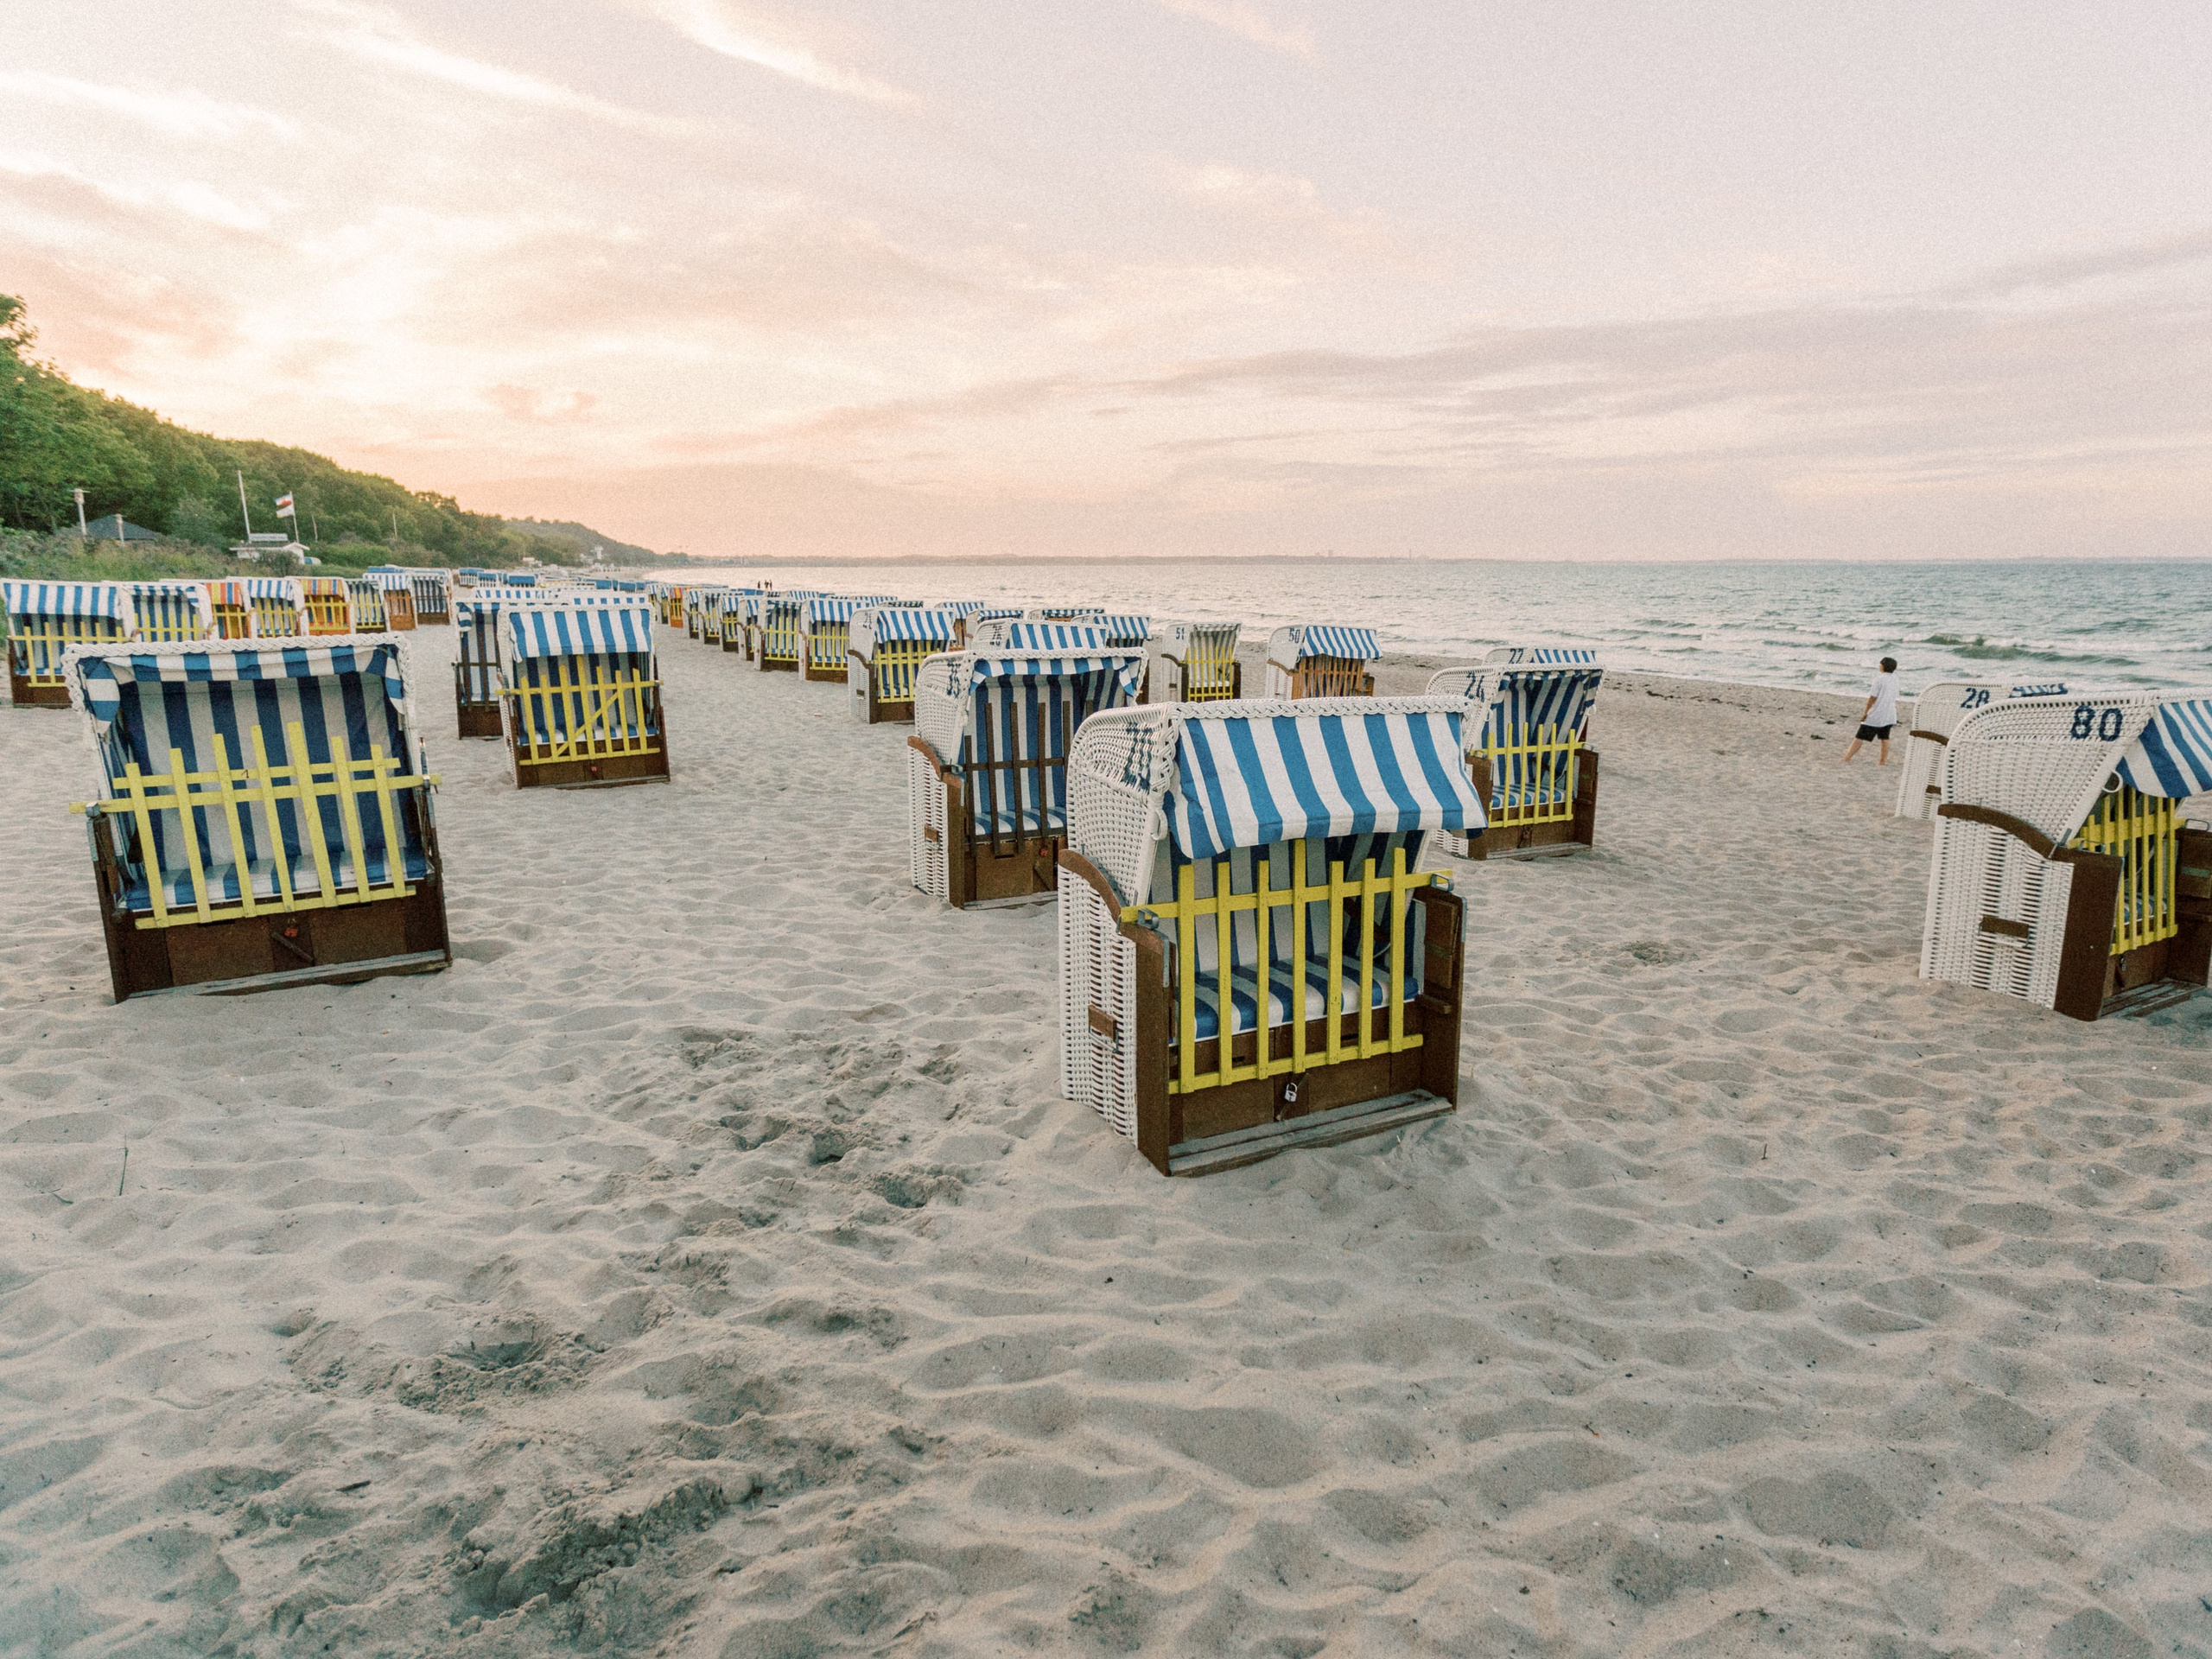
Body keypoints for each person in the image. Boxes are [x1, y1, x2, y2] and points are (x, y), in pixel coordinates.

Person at [1843, 657, 1900, 764]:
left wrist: (1865, 713)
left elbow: (1872, 698)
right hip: (1889, 713)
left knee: (1860, 736)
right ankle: (1882, 761)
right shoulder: (1895, 679)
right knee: (1885, 737)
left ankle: (1847, 758)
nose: (1879, 666)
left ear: (1883, 666)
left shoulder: (1879, 679)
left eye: (1880, 664)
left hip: (1877, 712)